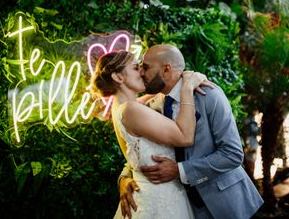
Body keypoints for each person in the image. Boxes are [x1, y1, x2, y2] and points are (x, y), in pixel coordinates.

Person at [118, 44, 264, 219]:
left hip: (227, 203)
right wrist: (124, 177)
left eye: (146, 67)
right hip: (185, 208)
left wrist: (180, 171)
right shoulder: (154, 104)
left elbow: (232, 154)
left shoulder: (210, 95)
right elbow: (143, 147)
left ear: (166, 70)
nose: (141, 72)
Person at [91, 50, 213, 219]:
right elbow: (185, 137)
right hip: (159, 200)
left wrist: (184, 75)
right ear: (118, 77)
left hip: (153, 194)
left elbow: (163, 88)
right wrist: (187, 88)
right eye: (135, 68)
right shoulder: (131, 110)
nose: (141, 72)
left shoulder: (124, 106)